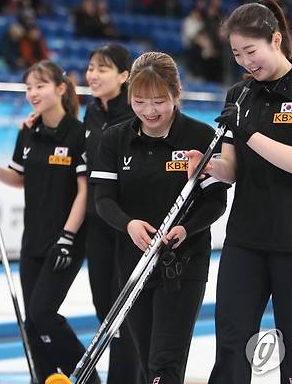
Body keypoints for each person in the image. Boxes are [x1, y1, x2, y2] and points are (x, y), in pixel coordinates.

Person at [190, 0, 292, 384]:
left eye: (251, 51)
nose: (244, 62)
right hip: (246, 239)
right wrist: (204, 167)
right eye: (236, 53)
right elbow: (230, 170)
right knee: (232, 342)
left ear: (275, 40)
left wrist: (248, 133)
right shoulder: (239, 96)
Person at [90, 51, 229, 384]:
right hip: (134, 266)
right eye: (139, 101)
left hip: (183, 265)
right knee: (145, 361)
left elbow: (216, 202)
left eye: (158, 101)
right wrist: (129, 224)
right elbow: (103, 200)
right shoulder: (115, 139)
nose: (149, 111)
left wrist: (185, 228)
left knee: (164, 365)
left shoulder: (200, 137)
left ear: (176, 95)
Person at [0, 60, 99, 384]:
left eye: (40, 86)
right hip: (33, 240)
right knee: (32, 322)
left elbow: (84, 191)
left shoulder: (80, 133)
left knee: (43, 313)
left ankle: (85, 376)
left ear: (60, 88)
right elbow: (20, 178)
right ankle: (43, 379)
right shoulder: (29, 132)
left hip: (65, 240)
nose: (33, 93)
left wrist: (68, 237)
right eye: (28, 87)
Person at [82, 43, 142, 384]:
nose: (93, 75)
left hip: (130, 226)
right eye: (91, 67)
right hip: (97, 224)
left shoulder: (136, 115)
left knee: (126, 313)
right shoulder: (89, 113)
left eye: (102, 68)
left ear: (124, 76)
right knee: (104, 308)